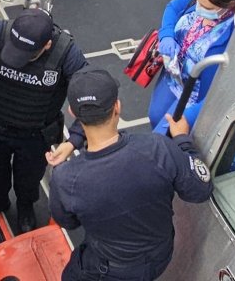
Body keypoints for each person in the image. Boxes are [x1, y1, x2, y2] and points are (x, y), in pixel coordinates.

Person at [49, 69, 213, 281]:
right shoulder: (158, 148)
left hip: (110, 270)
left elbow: (68, 222)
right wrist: (182, 140)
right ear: (117, 107)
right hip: (160, 256)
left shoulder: (65, 179)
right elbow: (200, 190)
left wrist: (67, 153)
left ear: (72, 112)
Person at [0, 7, 87, 233]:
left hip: (35, 136)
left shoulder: (66, 52)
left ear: (47, 45)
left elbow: (93, 97)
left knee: (29, 179)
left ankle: (25, 206)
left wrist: (73, 140)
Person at [149, 0, 235, 135]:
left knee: (163, 136)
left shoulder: (234, 33)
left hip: (193, 94)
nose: (198, 9)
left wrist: (189, 116)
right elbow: (173, 7)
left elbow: (217, 90)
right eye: (197, 1)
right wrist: (167, 35)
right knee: (155, 115)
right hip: (173, 75)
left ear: (228, 5)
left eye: (206, 7)